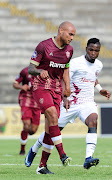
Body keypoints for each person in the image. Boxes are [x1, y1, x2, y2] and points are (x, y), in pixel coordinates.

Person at [25, 38, 111, 171]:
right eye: (91, 50)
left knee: (93, 120)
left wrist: (100, 89)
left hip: (87, 103)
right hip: (70, 103)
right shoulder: (75, 63)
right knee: (52, 132)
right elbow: (64, 78)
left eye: (96, 51)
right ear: (86, 49)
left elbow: (93, 76)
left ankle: (88, 158)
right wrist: (65, 98)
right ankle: (34, 149)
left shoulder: (99, 65)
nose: (93, 53)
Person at [26, 21, 76, 174]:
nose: (72, 38)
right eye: (70, 34)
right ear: (61, 31)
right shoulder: (44, 46)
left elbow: (65, 71)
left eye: (74, 35)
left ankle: (41, 166)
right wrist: (40, 71)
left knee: (50, 130)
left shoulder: (69, 50)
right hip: (40, 86)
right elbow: (30, 68)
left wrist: (67, 91)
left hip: (56, 89)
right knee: (53, 117)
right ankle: (62, 155)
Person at [13, 67, 41, 155]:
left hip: (37, 101)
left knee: (33, 130)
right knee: (26, 125)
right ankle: (22, 149)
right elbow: (15, 83)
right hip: (26, 99)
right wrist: (22, 86)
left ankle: (25, 132)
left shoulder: (45, 71)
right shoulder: (25, 71)